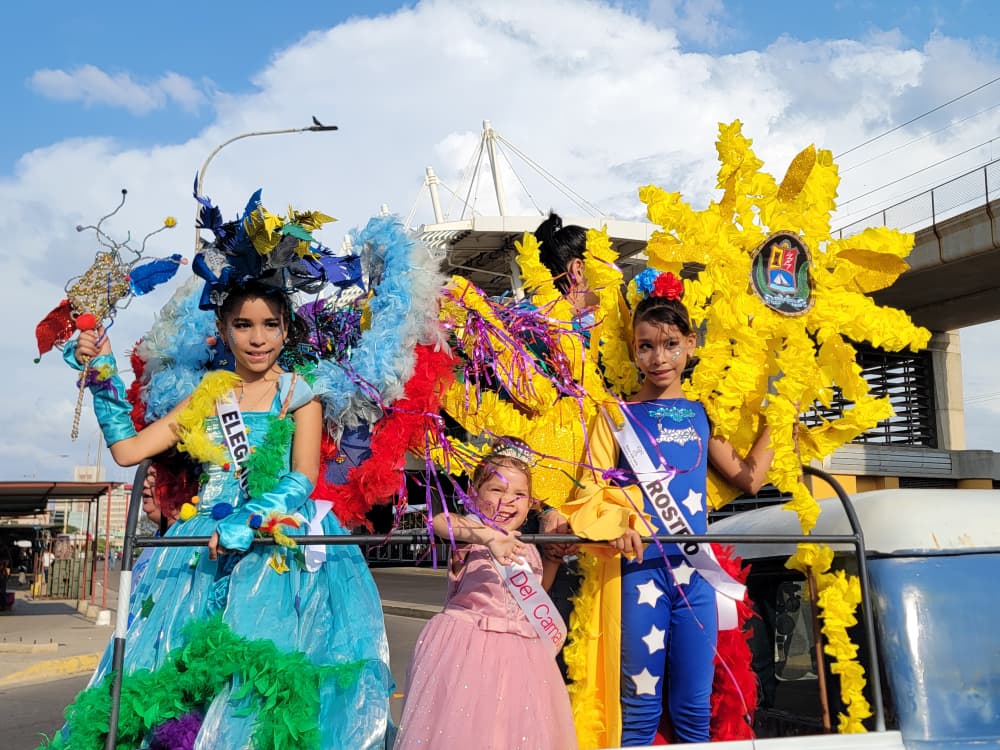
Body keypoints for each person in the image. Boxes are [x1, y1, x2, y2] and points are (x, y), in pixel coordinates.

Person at [51, 276, 393, 749]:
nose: (258, 338)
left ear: (286, 328)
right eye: (244, 325)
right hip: (197, 555)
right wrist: (103, 376)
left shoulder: (299, 393)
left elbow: (302, 478)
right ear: (223, 328)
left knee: (259, 684)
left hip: (273, 552)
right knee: (176, 677)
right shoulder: (209, 395)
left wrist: (248, 520)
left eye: (270, 325)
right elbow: (129, 451)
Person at [562, 271, 773, 746]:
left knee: (694, 710)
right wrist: (617, 523)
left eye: (671, 344)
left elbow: (749, 478)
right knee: (639, 711)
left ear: (691, 344)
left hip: (696, 578)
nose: (659, 358)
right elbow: (587, 493)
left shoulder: (702, 414)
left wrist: (780, 421)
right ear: (632, 349)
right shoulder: (613, 416)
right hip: (639, 574)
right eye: (646, 347)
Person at [394, 441, 578, 750]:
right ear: (473, 493)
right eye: (496, 490)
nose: (507, 501)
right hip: (469, 651)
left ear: (531, 504)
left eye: (519, 494)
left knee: (509, 733)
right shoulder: (471, 534)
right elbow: (440, 522)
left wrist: (553, 559)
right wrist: (489, 537)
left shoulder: (527, 547)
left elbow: (536, 598)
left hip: (522, 657)